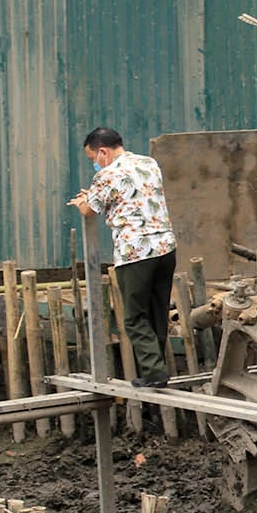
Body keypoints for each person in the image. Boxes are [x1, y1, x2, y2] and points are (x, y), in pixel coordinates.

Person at [69, 128, 177, 388]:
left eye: (93, 158)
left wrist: (83, 200)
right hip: (165, 246)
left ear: (103, 152)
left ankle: (154, 372)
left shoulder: (106, 175)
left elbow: (89, 210)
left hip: (135, 252)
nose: (95, 164)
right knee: (157, 310)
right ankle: (156, 369)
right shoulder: (149, 163)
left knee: (134, 316)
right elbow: (131, 196)